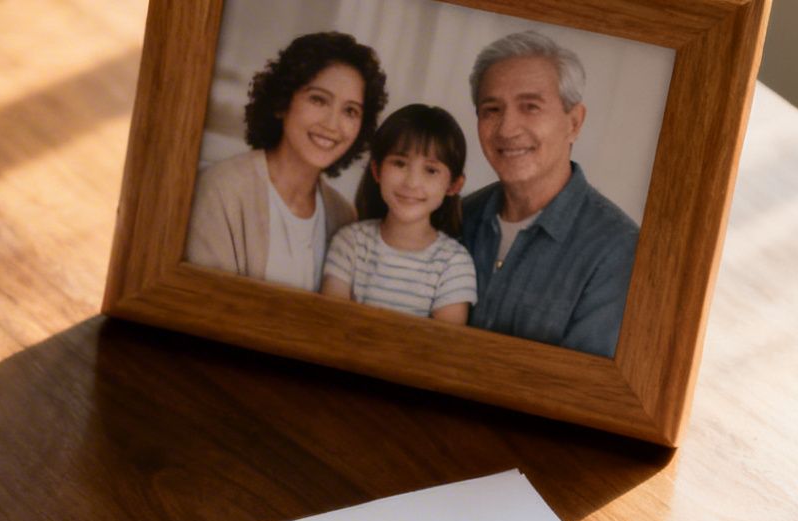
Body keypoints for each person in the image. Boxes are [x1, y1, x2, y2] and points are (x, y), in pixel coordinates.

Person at [459, 30, 638, 357]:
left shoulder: (619, 251)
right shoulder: (455, 217)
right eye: (492, 110)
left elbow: (581, 390)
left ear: (574, 122)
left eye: (530, 107)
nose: (507, 129)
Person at [185, 31, 387, 291]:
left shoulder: (343, 216)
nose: (332, 124)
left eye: (350, 111)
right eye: (318, 99)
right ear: (282, 103)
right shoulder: (220, 189)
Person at [319, 104, 475, 324]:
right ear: (377, 170)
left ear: (453, 185)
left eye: (430, 170)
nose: (411, 182)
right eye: (400, 163)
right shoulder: (350, 244)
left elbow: (443, 349)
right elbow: (331, 325)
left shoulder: (455, 264)